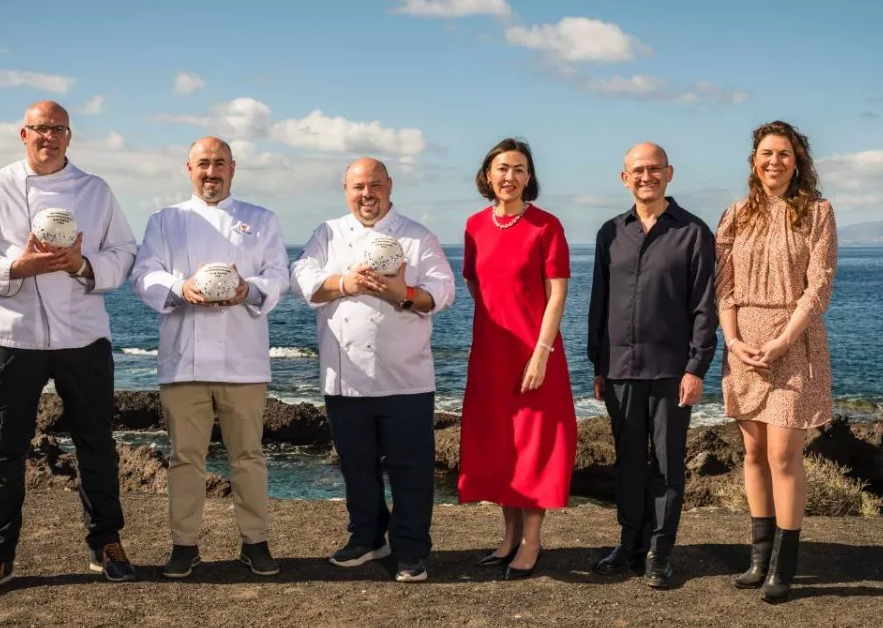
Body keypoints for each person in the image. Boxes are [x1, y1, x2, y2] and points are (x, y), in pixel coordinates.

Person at [0, 100, 139, 596]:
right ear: (23, 134)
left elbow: (124, 254)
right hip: (13, 336)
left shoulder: (96, 190)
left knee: (96, 444)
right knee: (4, 449)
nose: (48, 136)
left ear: (69, 136)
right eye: (40, 128)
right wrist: (16, 267)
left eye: (58, 129)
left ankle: (106, 543)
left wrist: (81, 265)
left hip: (83, 335)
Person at [130, 136, 290, 579]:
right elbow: (143, 274)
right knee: (185, 458)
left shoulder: (261, 219)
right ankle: (184, 545)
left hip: (244, 360)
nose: (211, 172)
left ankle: (255, 542)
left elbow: (279, 275)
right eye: (203, 163)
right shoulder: (165, 220)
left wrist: (248, 290)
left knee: (249, 456)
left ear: (233, 169)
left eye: (220, 163)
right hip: (184, 360)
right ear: (189, 169)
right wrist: (180, 288)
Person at [290, 157, 455, 583]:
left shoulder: (417, 236)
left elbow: (443, 290)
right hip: (344, 377)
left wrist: (404, 292)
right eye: (359, 186)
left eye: (375, 185)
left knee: (410, 471)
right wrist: (346, 283)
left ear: (390, 186)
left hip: (405, 378)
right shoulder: (327, 233)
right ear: (346, 190)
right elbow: (302, 277)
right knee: (356, 466)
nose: (367, 194)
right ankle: (366, 537)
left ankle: (411, 550)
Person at [715, 120, 838, 603]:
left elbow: (819, 285)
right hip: (745, 346)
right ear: (754, 160)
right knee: (753, 454)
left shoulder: (818, 213)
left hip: (793, 343)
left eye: (784, 153)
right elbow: (723, 287)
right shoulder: (736, 214)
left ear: (797, 161)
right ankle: (759, 559)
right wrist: (732, 341)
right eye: (767, 153)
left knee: (783, 456)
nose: (775, 161)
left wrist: (785, 340)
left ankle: (784, 567)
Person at [587, 142, 717, 589]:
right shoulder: (609, 233)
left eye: (654, 169)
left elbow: (704, 306)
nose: (647, 176)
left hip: (670, 370)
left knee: (666, 465)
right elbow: (600, 303)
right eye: (638, 170)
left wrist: (696, 368)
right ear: (625, 178)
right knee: (627, 463)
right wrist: (598, 363)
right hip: (619, 368)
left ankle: (660, 552)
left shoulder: (694, 232)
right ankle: (629, 545)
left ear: (669, 173)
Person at [458, 137, 576, 581]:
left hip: (536, 353)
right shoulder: (473, 226)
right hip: (491, 354)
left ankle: (531, 541)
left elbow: (557, 294)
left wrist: (540, 351)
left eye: (519, 169)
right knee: (500, 444)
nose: (510, 176)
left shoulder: (546, 226)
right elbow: (475, 284)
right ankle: (508, 537)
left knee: (534, 445)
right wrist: (497, 323)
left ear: (529, 178)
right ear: (488, 176)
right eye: (502, 168)